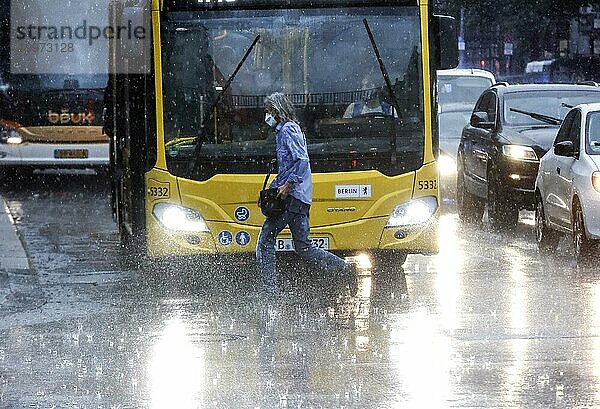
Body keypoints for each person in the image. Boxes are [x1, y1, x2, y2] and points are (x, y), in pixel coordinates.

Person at [256, 92, 357, 294]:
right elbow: (287, 167)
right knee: (303, 246)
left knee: (265, 240)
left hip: (292, 197)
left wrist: (287, 186)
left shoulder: (287, 130)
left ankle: (269, 292)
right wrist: (272, 189)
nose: (266, 115)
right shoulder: (284, 130)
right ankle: (344, 269)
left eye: (268, 111)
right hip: (300, 197)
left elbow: (301, 161)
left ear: (276, 110)